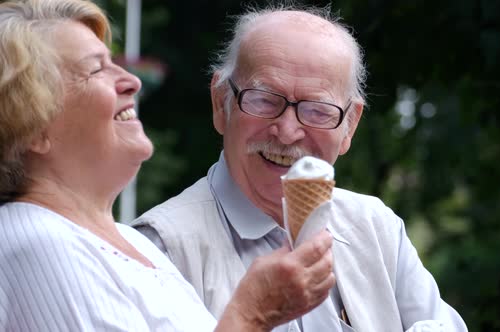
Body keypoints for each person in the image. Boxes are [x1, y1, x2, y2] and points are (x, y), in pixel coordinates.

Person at [0, 0, 336, 331]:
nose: (133, 80)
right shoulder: (39, 243)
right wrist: (253, 315)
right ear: (34, 127)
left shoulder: (134, 244)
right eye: (96, 69)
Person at [132, 4, 468, 332]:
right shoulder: (159, 249)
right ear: (222, 104)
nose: (288, 131)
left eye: (318, 110)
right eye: (263, 99)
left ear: (349, 126)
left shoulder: (376, 228)